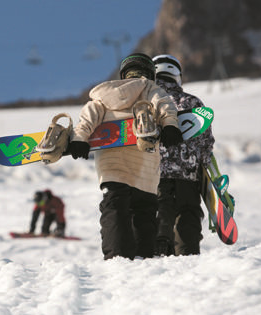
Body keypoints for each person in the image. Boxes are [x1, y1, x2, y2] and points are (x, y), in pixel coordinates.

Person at [68, 53, 182, 260]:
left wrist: (79, 138)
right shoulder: (150, 88)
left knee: (114, 207)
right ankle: (143, 257)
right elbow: (165, 106)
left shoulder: (103, 95)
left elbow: (88, 117)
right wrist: (170, 126)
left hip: (112, 163)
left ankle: (116, 257)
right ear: (149, 73)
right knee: (145, 211)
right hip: (144, 162)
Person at [152, 54, 215, 256]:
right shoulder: (192, 101)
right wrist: (203, 167)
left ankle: (159, 247)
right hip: (188, 175)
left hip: (155, 174)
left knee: (161, 211)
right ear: (177, 76)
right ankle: (188, 255)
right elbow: (206, 142)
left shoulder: (147, 103)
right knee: (188, 214)